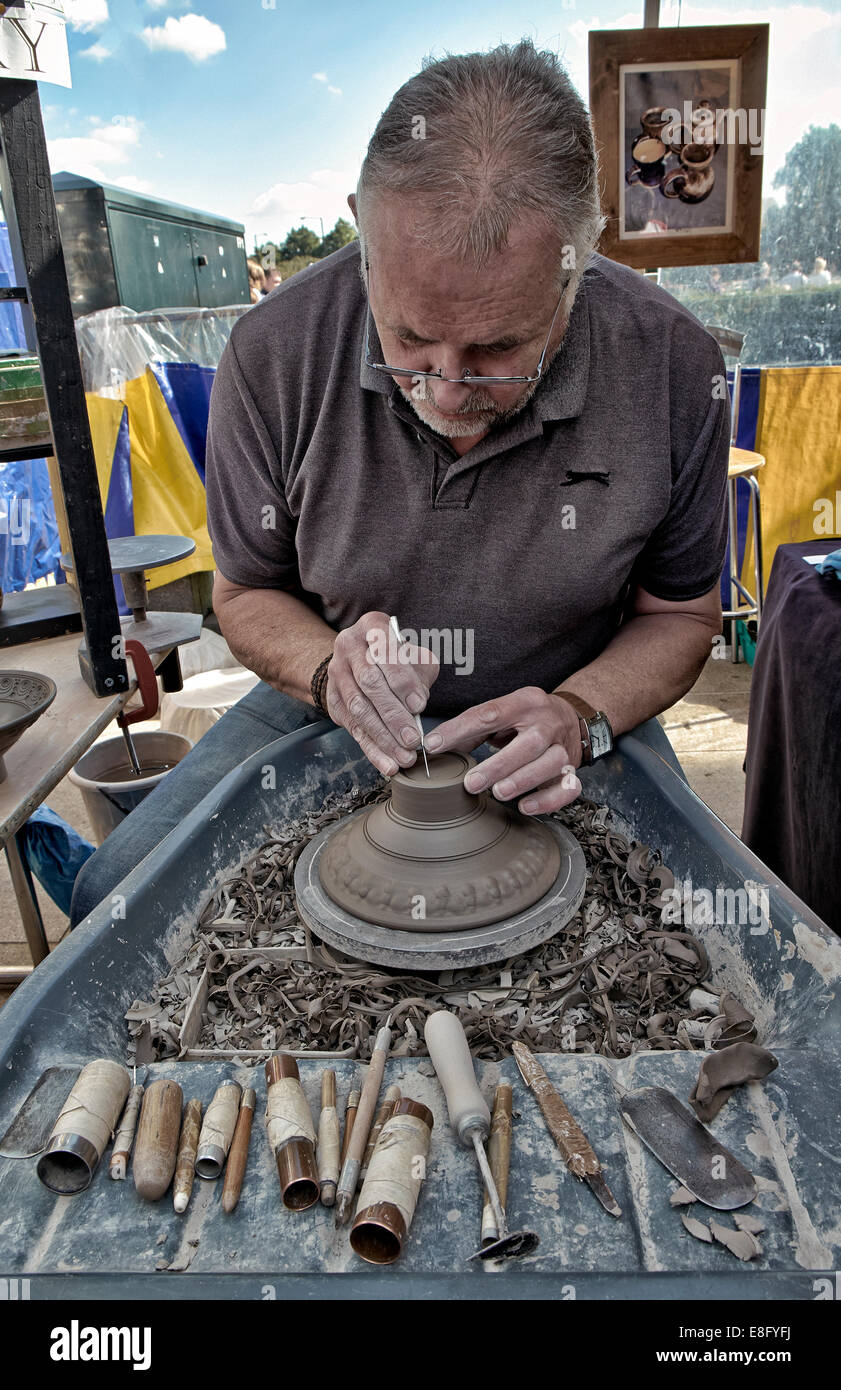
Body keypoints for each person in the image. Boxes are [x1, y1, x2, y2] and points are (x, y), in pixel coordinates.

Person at [70, 40, 729, 925]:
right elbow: (245, 590)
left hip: (572, 709)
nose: (447, 392)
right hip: (326, 705)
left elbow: (680, 618)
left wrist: (581, 713)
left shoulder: (673, 366)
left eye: (499, 350)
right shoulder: (272, 354)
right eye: (410, 339)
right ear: (362, 233)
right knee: (116, 896)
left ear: (577, 266)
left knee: (685, 921)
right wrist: (324, 670)